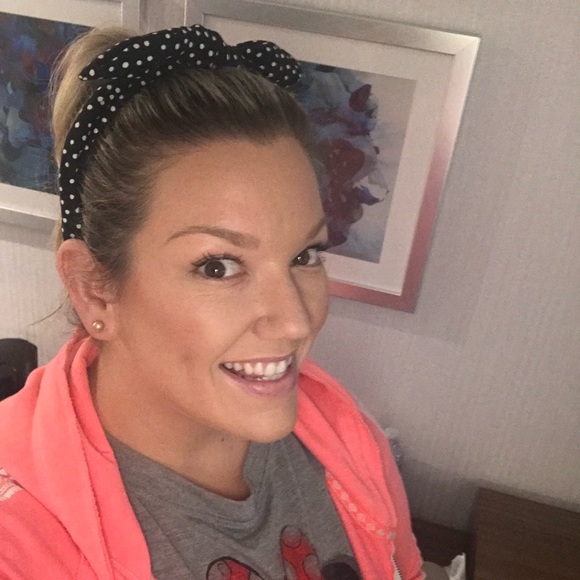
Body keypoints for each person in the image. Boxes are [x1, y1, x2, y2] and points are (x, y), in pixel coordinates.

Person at [0, 24, 424, 580]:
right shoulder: (20, 543)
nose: (296, 322)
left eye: (305, 255)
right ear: (94, 288)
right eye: (219, 266)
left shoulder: (345, 435)